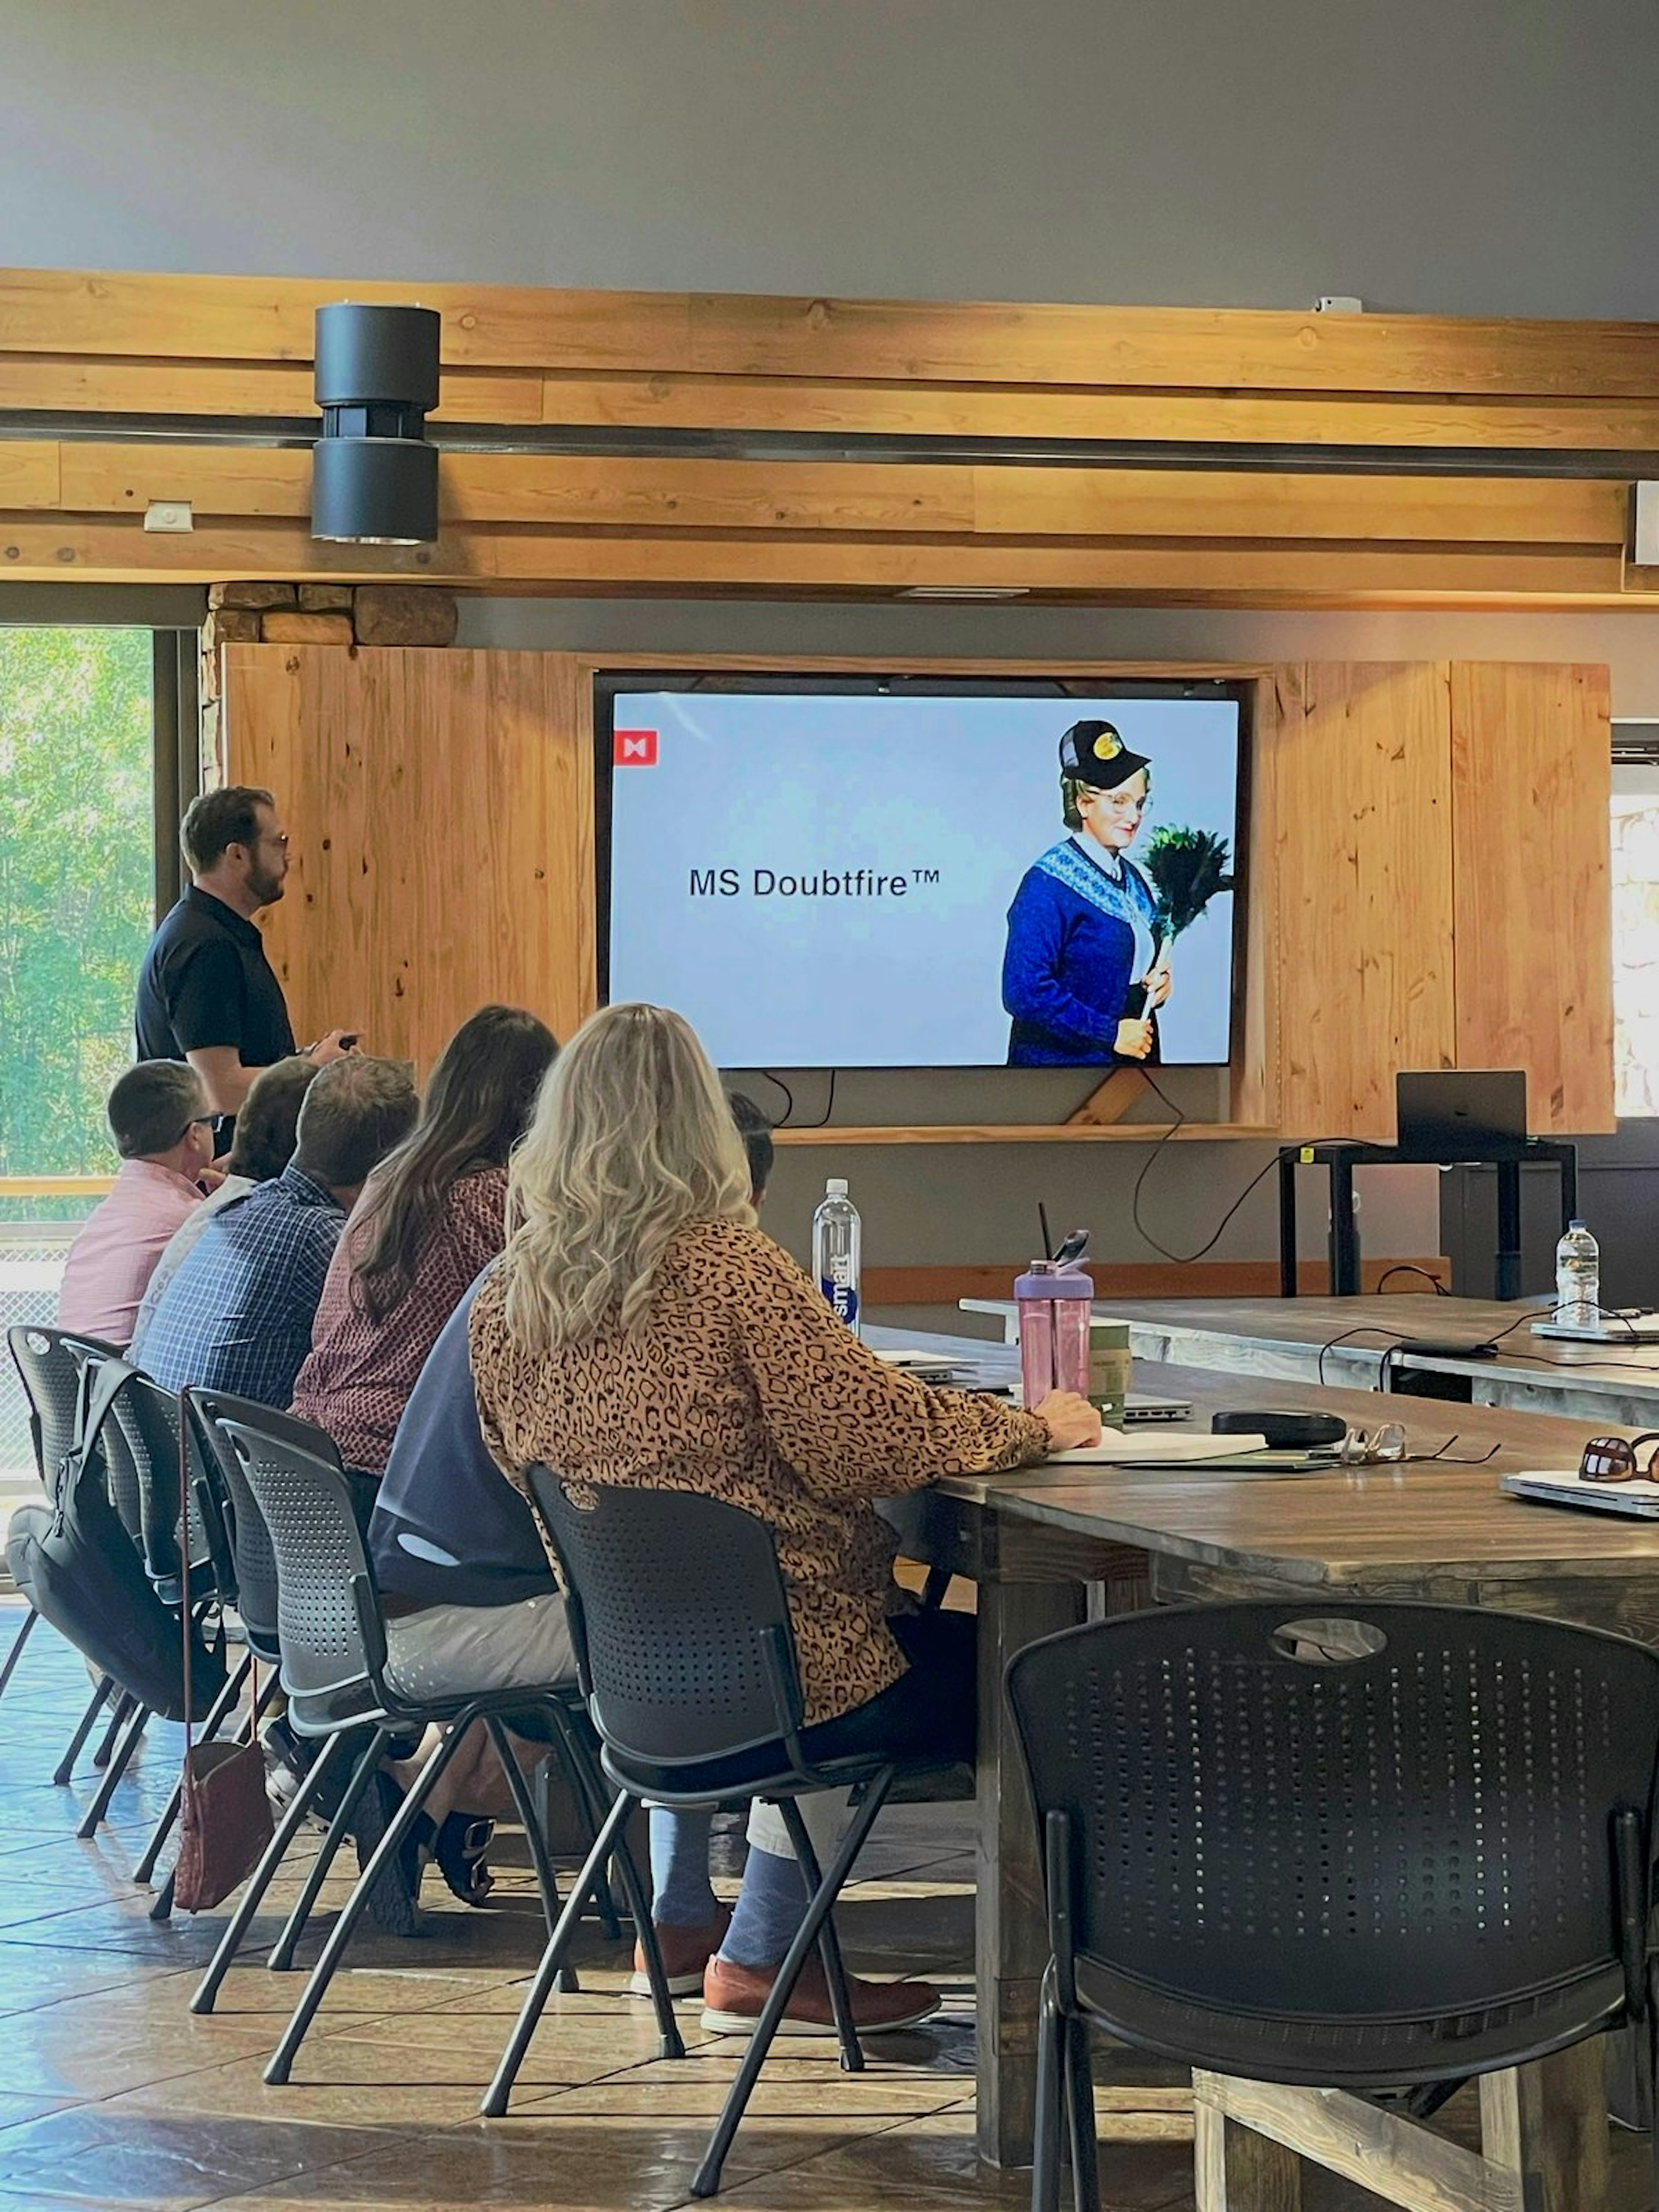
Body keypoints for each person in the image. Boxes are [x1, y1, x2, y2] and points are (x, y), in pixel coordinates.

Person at [468, 1003, 1099, 2036]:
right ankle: (1024, 2008)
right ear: (696, 1127)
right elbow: (866, 1438)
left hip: (634, 1684)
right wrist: (1027, 1427)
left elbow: (515, 1462)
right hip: (795, 1681)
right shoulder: (728, 1267)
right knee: (1037, 1667)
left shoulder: (505, 1294)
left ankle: (680, 1922)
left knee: (732, 1619)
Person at [361, 1087, 778, 1941]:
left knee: (685, 1612)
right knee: (766, 1630)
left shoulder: (539, 1267)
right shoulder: (616, 1299)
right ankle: (754, 1934)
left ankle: (680, 1907)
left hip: (402, 1601)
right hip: (457, 1622)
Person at [292, 1005, 558, 1478]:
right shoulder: (492, 1198)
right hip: (397, 1472)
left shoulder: (387, 1176)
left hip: (313, 1453)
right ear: (539, 1101)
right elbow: (542, 1349)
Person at [140, 1055, 418, 1410]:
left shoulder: (238, 1207)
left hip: (169, 1452)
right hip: (231, 1462)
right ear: (393, 1165)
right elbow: (391, 1366)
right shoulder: (326, 1238)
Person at [133, 785, 358, 1144]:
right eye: (278, 842)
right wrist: (311, 1069)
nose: (288, 856)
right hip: (215, 1180)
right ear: (237, 855)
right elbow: (220, 1088)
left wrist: (305, 1058)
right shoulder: (205, 945)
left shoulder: (214, 932)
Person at [1002, 719, 1173, 1068]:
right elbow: (1024, 991)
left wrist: (1156, 984)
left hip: (1131, 1073)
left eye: (1140, 804)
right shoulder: (1047, 885)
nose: (1134, 817)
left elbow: (1125, 969)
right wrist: (1109, 1033)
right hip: (1060, 1081)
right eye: (1119, 802)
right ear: (1083, 804)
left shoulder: (1133, 880)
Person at [130, 1054, 321, 1361]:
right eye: (213, 1123)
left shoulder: (213, 1211)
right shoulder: (190, 1213)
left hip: (113, 1396)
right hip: (169, 1401)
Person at [56, 1061, 218, 1350]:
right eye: (212, 1122)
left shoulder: (106, 1215)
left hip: (77, 1386)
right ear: (195, 1135)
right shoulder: (190, 1219)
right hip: (135, 1389)